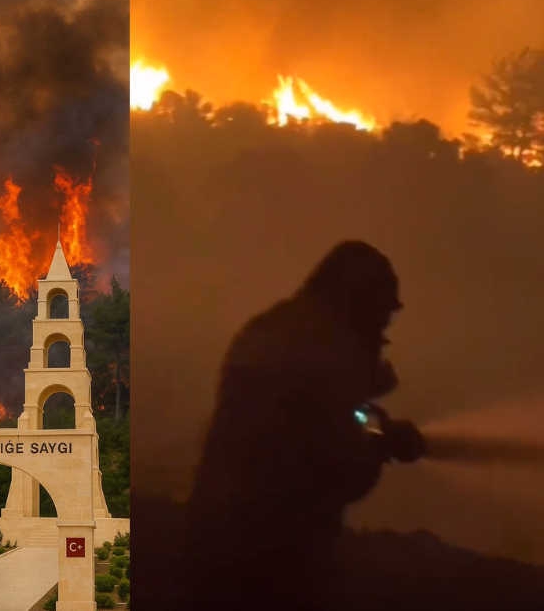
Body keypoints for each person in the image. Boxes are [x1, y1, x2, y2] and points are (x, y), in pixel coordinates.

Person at [181, 240, 426, 610]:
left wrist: (374, 418)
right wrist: (384, 443)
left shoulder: (276, 329)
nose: (380, 338)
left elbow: (321, 414)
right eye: (379, 322)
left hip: (216, 544)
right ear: (358, 306)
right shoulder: (327, 351)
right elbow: (341, 468)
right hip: (271, 566)